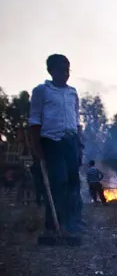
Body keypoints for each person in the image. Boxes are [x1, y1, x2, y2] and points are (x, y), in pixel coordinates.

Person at [28, 54, 82, 237]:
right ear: (51, 71)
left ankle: (72, 224)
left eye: (68, 69)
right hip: (52, 141)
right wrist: (37, 149)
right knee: (59, 182)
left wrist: (79, 144)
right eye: (61, 69)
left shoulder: (72, 92)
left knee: (74, 183)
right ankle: (53, 226)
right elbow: (35, 120)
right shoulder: (42, 91)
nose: (65, 73)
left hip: (71, 141)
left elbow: (76, 120)